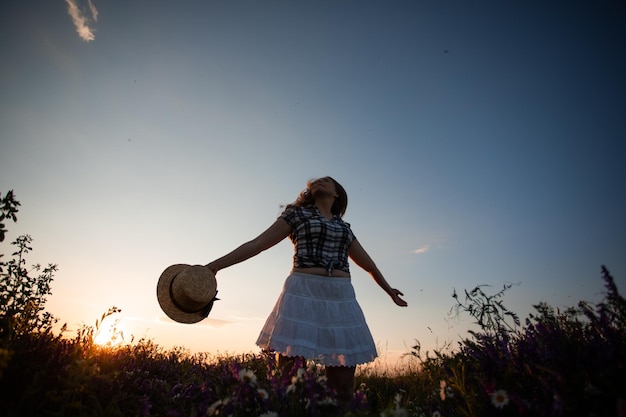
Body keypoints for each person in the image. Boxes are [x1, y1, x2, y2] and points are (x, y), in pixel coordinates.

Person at [206, 176, 407, 405]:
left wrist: (389, 290)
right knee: (290, 379)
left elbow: (368, 264)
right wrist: (216, 265)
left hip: (340, 297)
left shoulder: (344, 227)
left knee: (342, 385)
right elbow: (257, 244)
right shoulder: (296, 214)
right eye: (315, 181)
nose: (319, 181)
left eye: (326, 180)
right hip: (302, 292)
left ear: (337, 193)